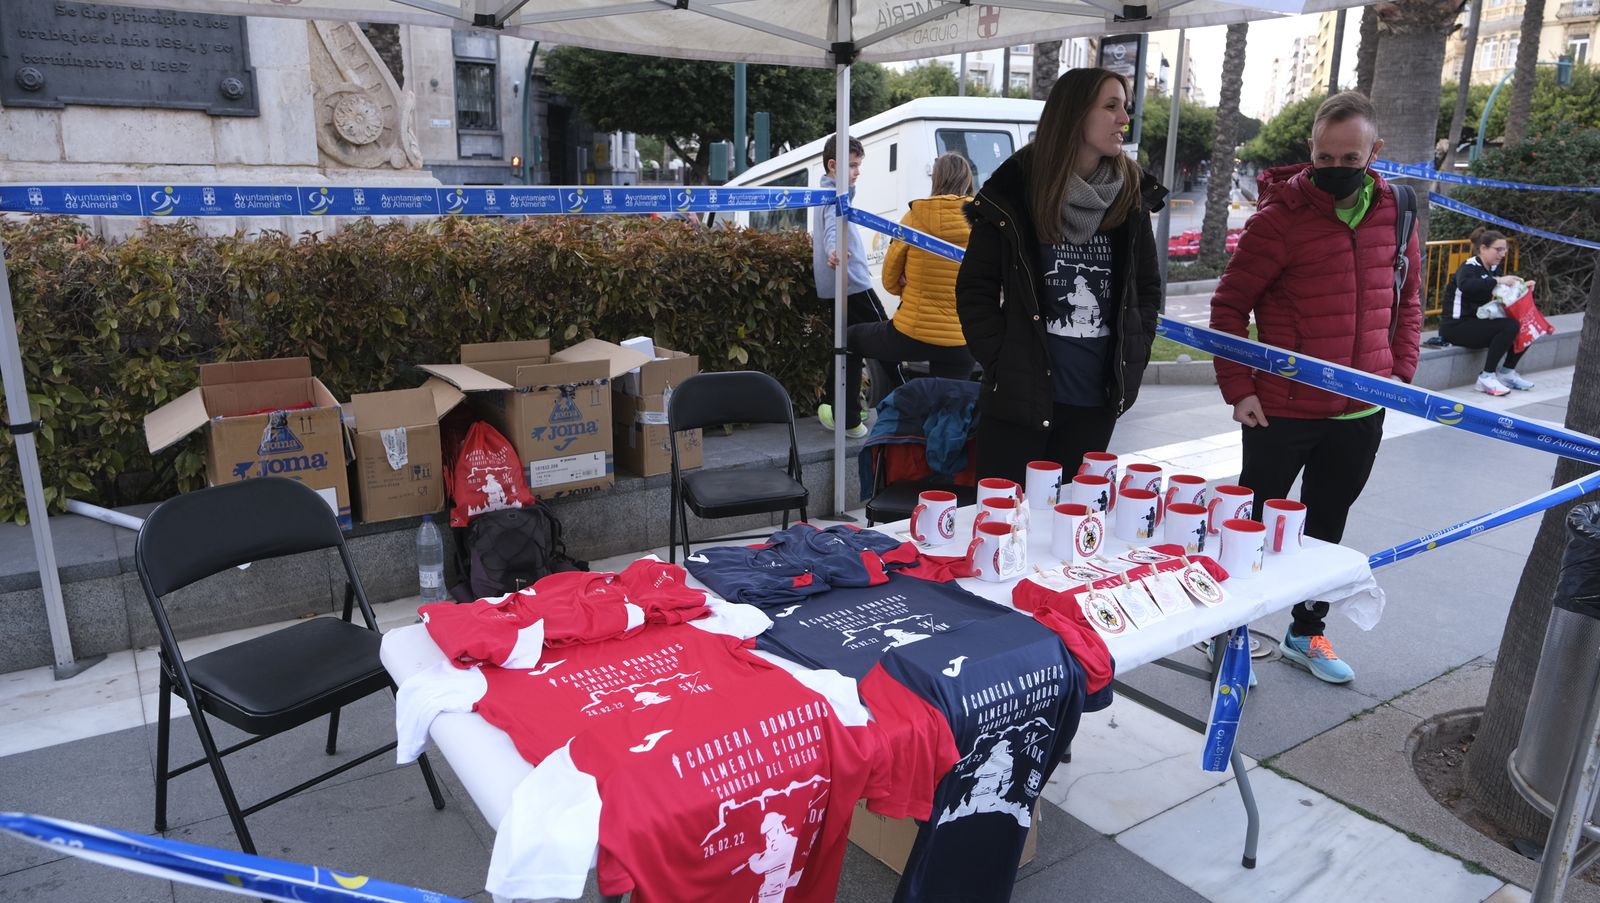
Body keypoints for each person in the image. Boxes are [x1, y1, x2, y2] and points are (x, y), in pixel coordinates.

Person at [1209, 91, 1422, 684]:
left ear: (1374, 152)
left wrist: (1399, 374)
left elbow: (1406, 299)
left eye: (1348, 158)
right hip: (1282, 411)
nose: (1334, 169)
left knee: (1327, 528)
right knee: (1249, 525)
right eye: (1324, 157)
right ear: (1311, 150)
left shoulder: (1398, 211)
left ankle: (1306, 632)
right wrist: (1240, 389)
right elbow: (1228, 309)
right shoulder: (1277, 220)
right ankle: (1226, 634)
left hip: (1360, 413)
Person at [955, 67, 1166, 484]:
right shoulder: (1014, 193)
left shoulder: (1130, 194)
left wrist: (1135, 356)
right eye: (1111, 106)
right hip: (1019, 403)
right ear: (1073, 113)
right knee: (1006, 528)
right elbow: (975, 289)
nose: (1125, 119)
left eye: (1125, 107)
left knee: (1071, 534)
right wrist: (1002, 360)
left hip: (1095, 406)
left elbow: (1146, 289)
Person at [839, 152, 978, 417]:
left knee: (850, 338)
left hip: (913, 333)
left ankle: (848, 417)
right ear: (967, 179)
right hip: (961, 339)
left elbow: (890, 281)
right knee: (948, 415)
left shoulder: (914, 218)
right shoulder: (984, 222)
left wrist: (910, 282)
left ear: (936, 178)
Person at [813, 133, 888, 439]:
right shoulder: (834, 198)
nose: (858, 172)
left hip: (836, 286)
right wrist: (834, 250)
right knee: (888, 342)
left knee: (846, 350)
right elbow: (834, 227)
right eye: (853, 166)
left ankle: (837, 411)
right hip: (853, 283)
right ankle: (908, 410)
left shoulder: (824, 194)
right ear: (833, 166)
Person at [1441, 227, 1537, 395]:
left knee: (1525, 325)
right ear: (1483, 248)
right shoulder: (1469, 266)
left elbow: (1501, 294)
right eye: (1498, 249)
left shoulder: (1493, 269)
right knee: (1509, 326)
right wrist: (1499, 280)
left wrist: (1521, 287)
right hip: (1455, 327)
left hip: (1476, 323)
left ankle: (1507, 373)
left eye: (1504, 250)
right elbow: (1467, 286)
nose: (1502, 254)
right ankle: (1486, 377)